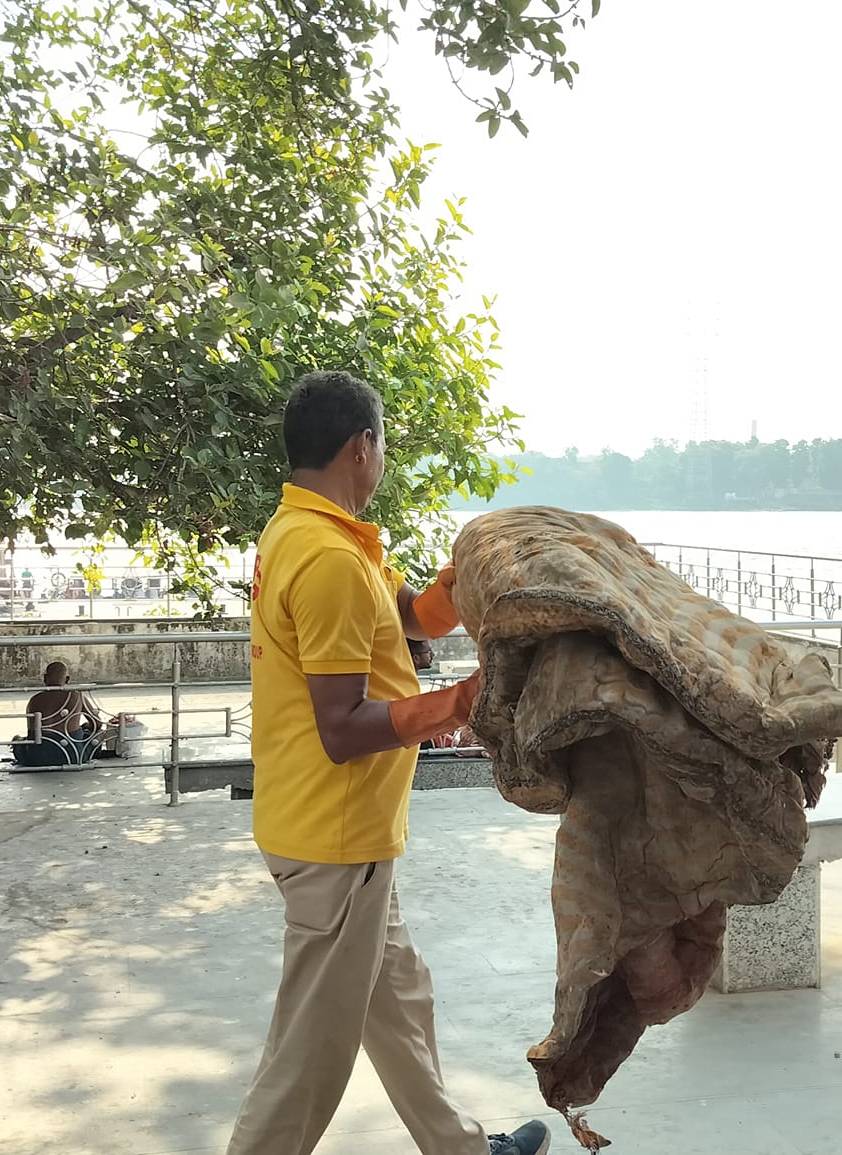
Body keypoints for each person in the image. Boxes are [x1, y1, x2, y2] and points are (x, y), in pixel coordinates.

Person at [228, 371, 551, 1155]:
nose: (382, 460)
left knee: (401, 1001)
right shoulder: (328, 558)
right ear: (360, 445)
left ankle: (461, 1149)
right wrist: (461, 701)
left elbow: (408, 615)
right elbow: (342, 727)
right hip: (335, 842)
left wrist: (463, 580)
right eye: (382, 446)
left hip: (340, 831)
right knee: (309, 1056)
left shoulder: (312, 534)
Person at [15, 660, 101, 768]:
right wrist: (85, 727)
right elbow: (97, 724)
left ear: (45, 678)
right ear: (67, 679)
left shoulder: (34, 700)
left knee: (17, 740)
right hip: (73, 757)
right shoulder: (76, 696)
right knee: (97, 734)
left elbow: (32, 733)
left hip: (37, 758)